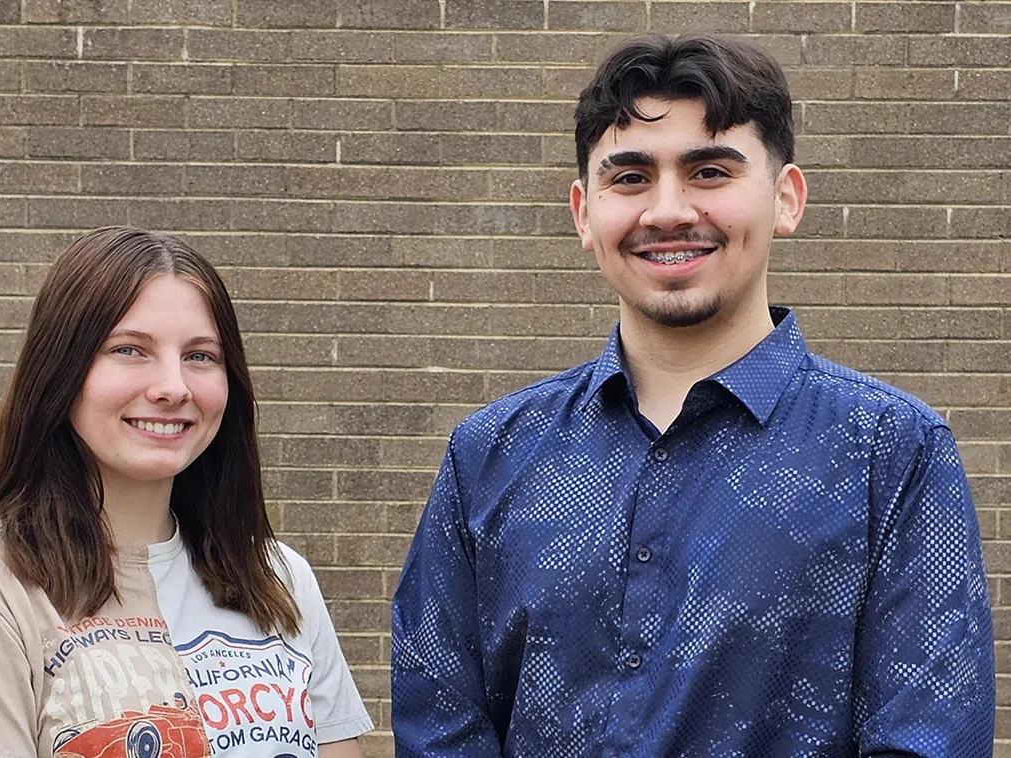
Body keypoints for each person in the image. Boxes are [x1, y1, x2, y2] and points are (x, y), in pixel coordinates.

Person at [391, 34, 994, 757]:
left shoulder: (893, 455)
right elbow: (440, 730)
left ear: (786, 199)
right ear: (584, 213)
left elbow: (926, 738)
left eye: (709, 171)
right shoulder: (489, 455)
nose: (668, 211)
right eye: (632, 177)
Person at [0, 227, 372, 758]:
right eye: (129, 349)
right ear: (60, 371)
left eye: (201, 356)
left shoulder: (279, 577)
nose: (173, 386)